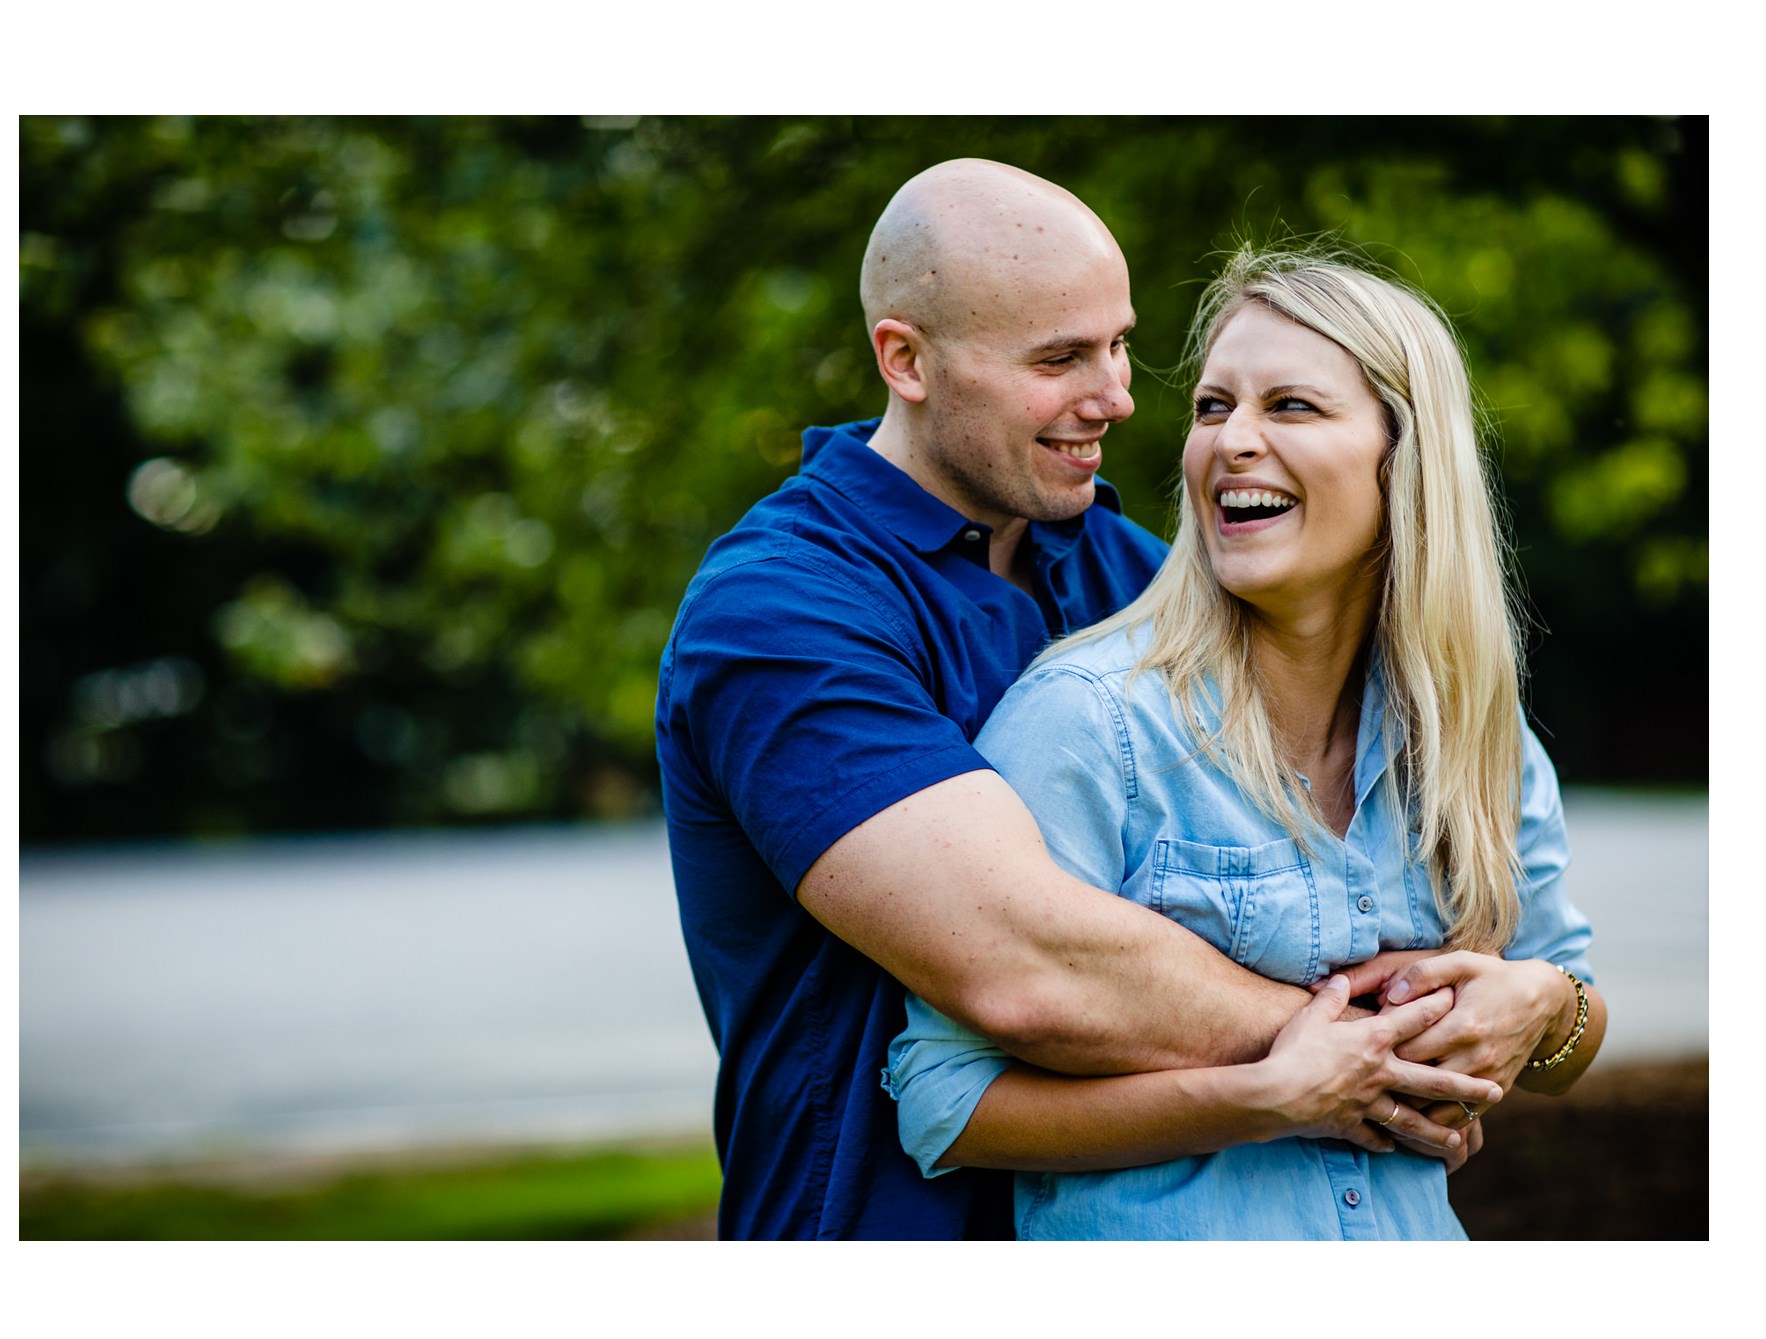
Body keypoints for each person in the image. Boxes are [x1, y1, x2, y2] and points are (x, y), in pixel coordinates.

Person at [658, 162, 1504, 1240]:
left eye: (1118, 343)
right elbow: (1024, 964)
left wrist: (1546, 1007)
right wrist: (1382, 1056)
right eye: (1060, 359)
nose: (1115, 396)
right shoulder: (780, 608)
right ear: (905, 360)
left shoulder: (1139, 575)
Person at [882, 246, 1608, 1239]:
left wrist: (1540, 1006)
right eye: (1214, 408)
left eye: (1292, 408)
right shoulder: (1090, 722)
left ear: (1406, 456)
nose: (1233, 443)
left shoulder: (1472, 730)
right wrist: (1267, 1095)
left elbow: (1571, 1017)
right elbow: (943, 1103)